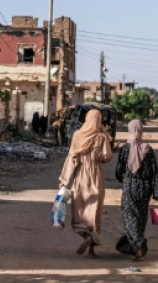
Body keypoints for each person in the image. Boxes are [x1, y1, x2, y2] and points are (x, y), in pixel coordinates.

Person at [59, 109, 113, 257]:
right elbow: (107, 157)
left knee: (79, 209)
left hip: (80, 176)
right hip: (96, 176)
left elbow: (71, 158)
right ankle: (91, 249)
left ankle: (85, 234)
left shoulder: (77, 135)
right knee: (94, 211)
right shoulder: (101, 136)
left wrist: (64, 180)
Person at [115, 119, 158, 261]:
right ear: (141, 130)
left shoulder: (125, 148)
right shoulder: (148, 149)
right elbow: (154, 173)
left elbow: (119, 170)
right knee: (141, 217)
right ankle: (137, 242)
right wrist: (157, 192)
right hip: (145, 189)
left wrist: (122, 179)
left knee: (129, 216)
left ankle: (137, 245)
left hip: (129, 186)